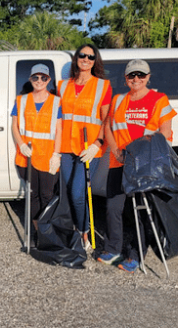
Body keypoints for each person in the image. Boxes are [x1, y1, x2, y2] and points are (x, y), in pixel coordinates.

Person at [98, 59, 177, 273]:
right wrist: (115, 151)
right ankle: (113, 249)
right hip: (119, 161)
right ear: (125, 79)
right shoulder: (118, 99)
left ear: (148, 77)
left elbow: (164, 132)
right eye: (132, 75)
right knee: (113, 208)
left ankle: (135, 255)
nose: (136, 79)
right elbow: (108, 129)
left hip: (144, 166)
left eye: (141, 75)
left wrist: (140, 153)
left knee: (140, 212)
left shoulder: (159, 99)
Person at [57, 44, 112, 249]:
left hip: (88, 149)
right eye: (82, 55)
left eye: (91, 56)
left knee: (77, 193)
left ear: (94, 61)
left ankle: (84, 234)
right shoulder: (63, 86)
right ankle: (77, 229)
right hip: (65, 147)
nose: (86, 59)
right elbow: (57, 118)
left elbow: (107, 118)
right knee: (68, 191)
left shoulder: (102, 85)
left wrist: (98, 144)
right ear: (76, 58)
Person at [12, 64, 62, 234]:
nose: (39, 81)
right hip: (28, 156)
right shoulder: (21, 101)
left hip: (48, 157)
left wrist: (57, 154)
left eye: (43, 77)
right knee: (33, 195)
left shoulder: (56, 102)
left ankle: (47, 231)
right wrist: (21, 144)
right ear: (30, 79)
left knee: (47, 195)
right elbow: (14, 126)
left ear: (48, 80)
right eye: (35, 77)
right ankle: (35, 231)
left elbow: (59, 130)